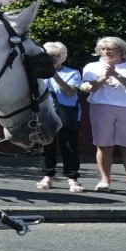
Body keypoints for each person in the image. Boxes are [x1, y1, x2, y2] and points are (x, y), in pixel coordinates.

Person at [80, 36, 126, 194]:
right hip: (101, 108)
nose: (106, 51)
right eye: (103, 49)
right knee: (103, 146)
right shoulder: (92, 66)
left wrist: (116, 75)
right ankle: (104, 180)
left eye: (110, 48)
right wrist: (103, 77)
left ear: (121, 50)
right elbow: (89, 88)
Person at [36, 42, 85, 192]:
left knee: (69, 146)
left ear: (62, 58)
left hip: (67, 114)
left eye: (55, 56)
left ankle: (73, 178)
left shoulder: (72, 73)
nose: (52, 58)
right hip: (45, 112)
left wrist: (54, 74)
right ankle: (47, 176)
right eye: (48, 56)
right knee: (46, 145)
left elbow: (69, 92)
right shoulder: (38, 73)